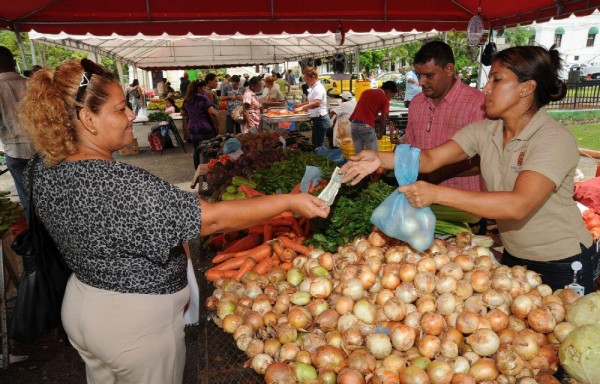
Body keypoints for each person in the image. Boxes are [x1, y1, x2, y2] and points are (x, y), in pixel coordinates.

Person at [18, 58, 330, 384]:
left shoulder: (41, 168)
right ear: (87, 119)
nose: (131, 117)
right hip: (133, 325)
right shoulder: (120, 183)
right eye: (121, 108)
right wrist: (290, 201)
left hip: (82, 303)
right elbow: (211, 220)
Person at [340, 45, 596, 294]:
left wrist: (437, 194)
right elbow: (429, 158)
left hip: (562, 262)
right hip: (513, 256)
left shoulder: (553, 138)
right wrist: (378, 158)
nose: (485, 88)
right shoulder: (487, 129)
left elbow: (518, 205)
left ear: (526, 88)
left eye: (496, 80)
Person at [405, 41, 486, 192]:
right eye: (418, 75)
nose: (421, 82)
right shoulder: (416, 103)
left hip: (464, 206)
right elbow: (410, 146)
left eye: (429, 75)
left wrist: (435, 172)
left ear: (449, 69)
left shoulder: (478, 104)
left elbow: (485, 160)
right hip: (421, 200)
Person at [0, 46, 35, 221]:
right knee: (48, 194)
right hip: (42, 148)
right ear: (14, 63)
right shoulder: (32, 84)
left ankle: (37, 241)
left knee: (28, 199)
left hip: (16, 152)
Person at [348, 80, 398, 153]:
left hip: (354, 125)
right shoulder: (384, 99)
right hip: (366, 127)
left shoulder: (366, 92)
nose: (390, 99)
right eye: (391, 96)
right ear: (388, 91)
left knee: (359, 155)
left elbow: (359, 110)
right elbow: (383, 118)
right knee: (374, 155)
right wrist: (380, 134)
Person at [181, 80, 218, 169]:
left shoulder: (187, 100)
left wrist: (192, 113)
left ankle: (198, 172)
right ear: (199, 88)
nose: (205, 90)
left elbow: (182, 113)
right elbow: (212, 113)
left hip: (193, 128)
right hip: (205, 128)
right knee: (209, 150)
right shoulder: (203, 98)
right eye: (204, 88)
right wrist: (217, 125)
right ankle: (210, 170)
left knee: (197, 150)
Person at [294, 67, 329, 147]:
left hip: (321, 119)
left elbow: (317, 103)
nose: (306, 82)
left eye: (307, 79)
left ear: (313, 77)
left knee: (319, 144)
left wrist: (302, 108)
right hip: (317, 119)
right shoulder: (314, 87)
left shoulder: (318, 88)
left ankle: (321, 157)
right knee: (315, 142)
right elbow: (311, 102)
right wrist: (300, 105)